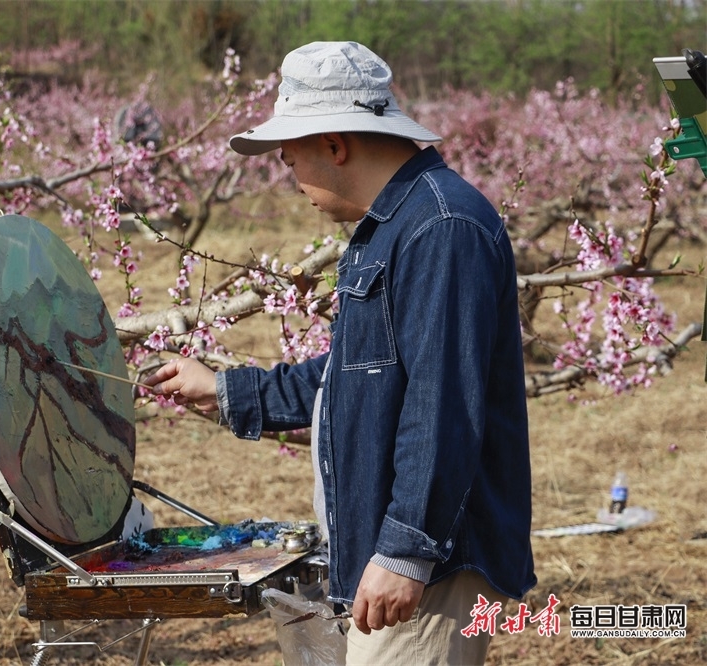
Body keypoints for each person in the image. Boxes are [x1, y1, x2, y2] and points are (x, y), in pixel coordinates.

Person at [147, 41, 535, 664]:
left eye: (290, 152)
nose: (286, 168)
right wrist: (225, 391)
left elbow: (443, 406)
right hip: (408, 552)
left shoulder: (441, 229)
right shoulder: (391, 227)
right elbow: (353, 372)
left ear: (334, 143)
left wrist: (406, 549)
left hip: (432, 564)